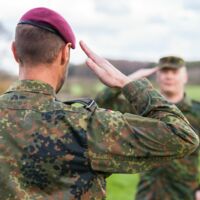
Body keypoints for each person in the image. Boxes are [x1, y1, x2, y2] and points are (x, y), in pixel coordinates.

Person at [0, 7, 198, 200]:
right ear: (65, 53)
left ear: (15, 51)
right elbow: (182, 136)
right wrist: (127, 84)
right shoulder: (84, 126)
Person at [96, 56, 200, 200]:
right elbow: (102, 103)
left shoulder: (197, 111)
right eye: (164, 71)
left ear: (185, 77)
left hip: (185, 193)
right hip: (148, 192)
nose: (169, 76)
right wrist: (127, 81)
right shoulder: (142, 109)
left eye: (174, 72)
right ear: (157, 76)